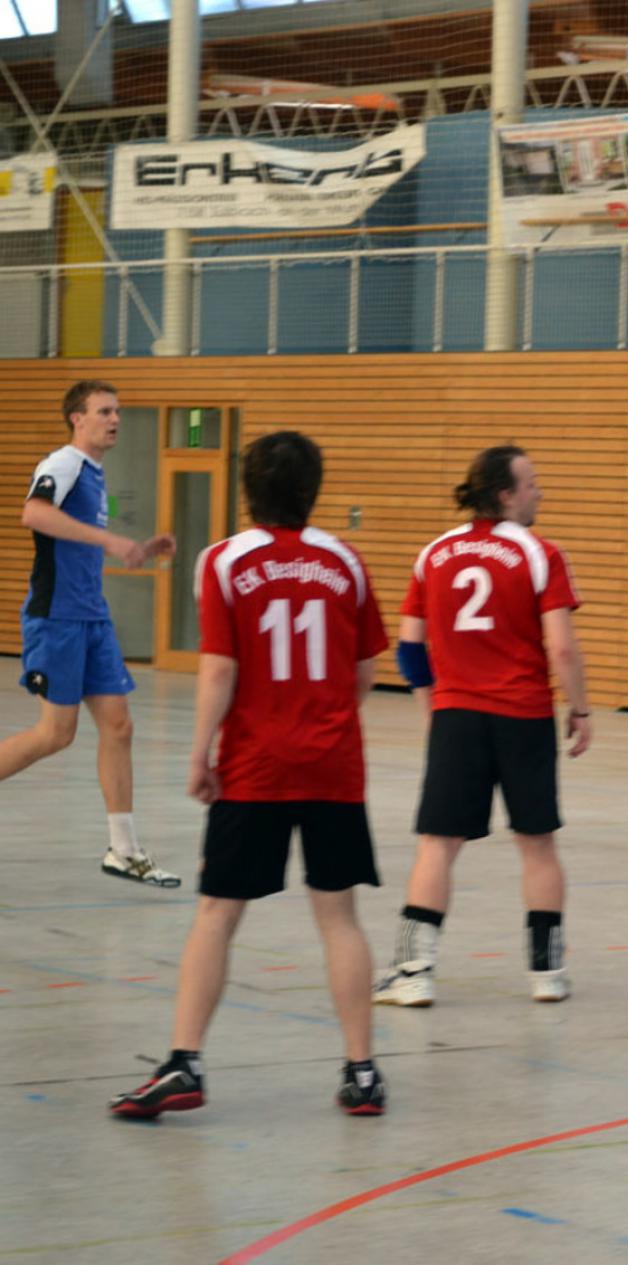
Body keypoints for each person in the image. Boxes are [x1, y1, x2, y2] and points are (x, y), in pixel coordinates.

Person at [109, 431, 390, 1118]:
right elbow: (364, 674)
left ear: (247, 489)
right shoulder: (346, 561)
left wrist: (199, 753)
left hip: (254, 767)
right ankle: (361, 1071)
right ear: (313, 489)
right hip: (333, 767)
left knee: (217, 914)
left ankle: (184, 1063)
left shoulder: (224, 561)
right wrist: (322, 721)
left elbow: (219, 668)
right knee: (340, 916)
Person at [374, 446, 590, 1007]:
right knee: (537, 845)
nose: (540, 492)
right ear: (505, 494)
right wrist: (581, 708)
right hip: (525, 715)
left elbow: (410, 649)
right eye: (532, 483)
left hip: (457, 716)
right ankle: (547, 973)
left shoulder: (434, 553)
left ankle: (413, 972)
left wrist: (433, 707)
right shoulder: (541, 554)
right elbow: (562, 648)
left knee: (438, 845)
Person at [1, 380, 181, 888]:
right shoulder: (64, 463)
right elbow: (33, 513)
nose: (115, 419)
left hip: (92, 616)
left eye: (117, 411)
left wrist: (136, 549)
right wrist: (109, 540)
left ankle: (124, 850)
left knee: (119, 727)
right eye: (104, 411)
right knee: (55, 734)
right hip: (57, 616)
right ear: (77, 419)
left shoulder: (96, 475)